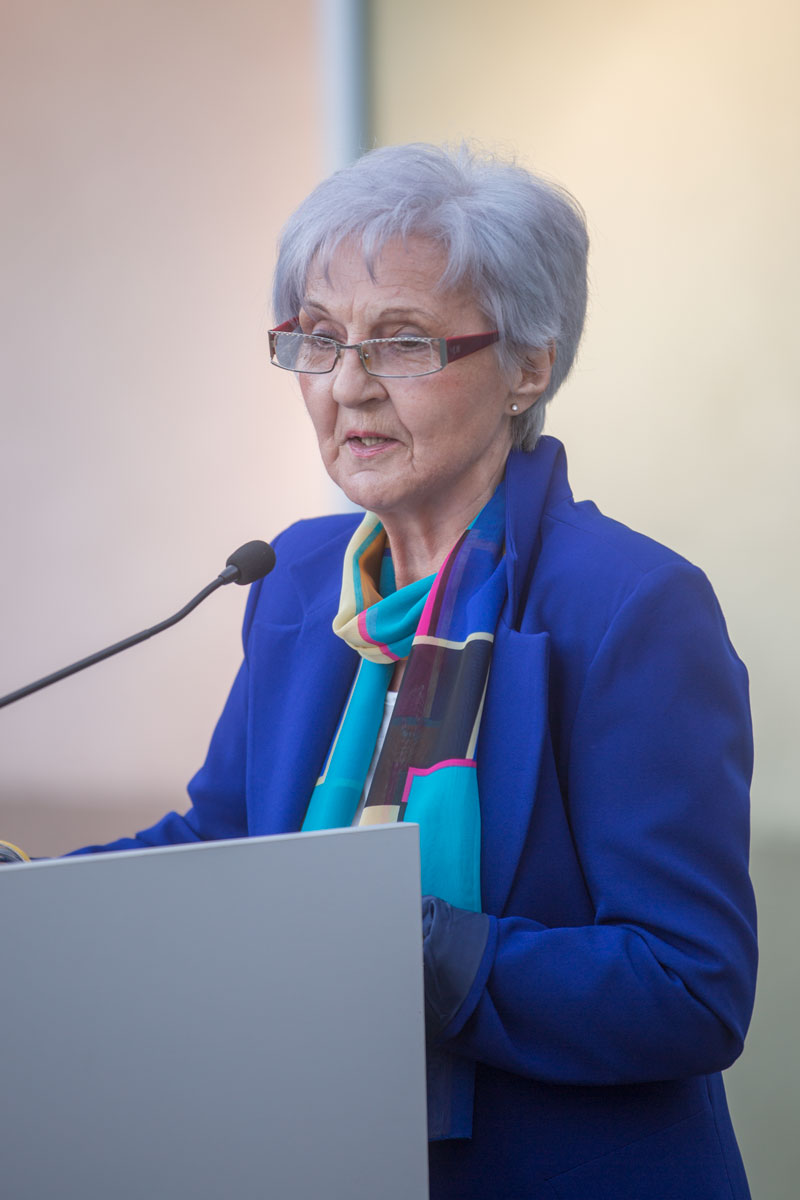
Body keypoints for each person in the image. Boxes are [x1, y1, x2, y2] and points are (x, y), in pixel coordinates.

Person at [72, 144, 757, 1198]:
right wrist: (29, 891)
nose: (348, 387)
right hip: (310, 1156)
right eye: (317, 338)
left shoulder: (630, 605)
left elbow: (689, 987)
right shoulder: (298, 579)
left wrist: (404, 946)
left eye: (400, 342)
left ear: (528, 367)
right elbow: (221, 847)